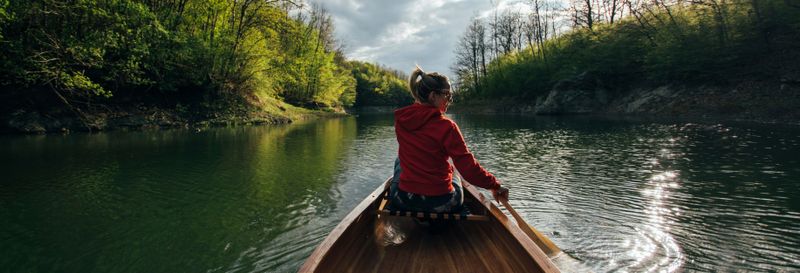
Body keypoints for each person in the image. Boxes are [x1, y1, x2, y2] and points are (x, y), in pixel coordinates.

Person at [389, 66, 509, 214]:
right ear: (433, 96)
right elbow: (469, 169)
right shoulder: (447, 127)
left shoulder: (401, 120)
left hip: (404, 200)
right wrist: (495, 186)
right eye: (447, 95)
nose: (450, 100)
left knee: (399, 161)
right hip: (442, 203)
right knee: (455, 171)